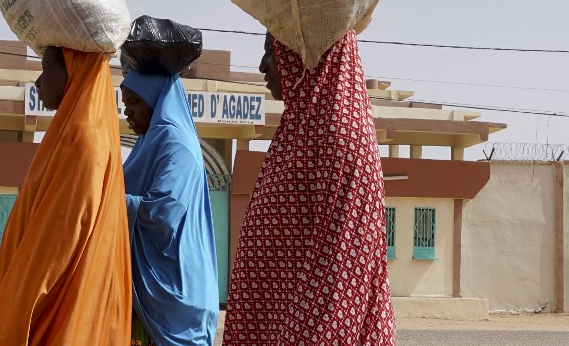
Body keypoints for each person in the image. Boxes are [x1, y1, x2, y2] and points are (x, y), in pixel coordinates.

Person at [222, 30, 396, 346]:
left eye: (271, 52)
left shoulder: (337, 130)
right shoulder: (301, 124)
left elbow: (343, 270)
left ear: (302, 56)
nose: (263, 66)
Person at [0, 46, 132, 345]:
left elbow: (57, 245)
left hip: (51, 315)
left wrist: (14, 317)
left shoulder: (82, 138)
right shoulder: (71, 132)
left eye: (46, 68)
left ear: (72, 72)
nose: (38, 82)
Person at [120, 69, 220, 346]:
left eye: (135, 102)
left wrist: (104, 201)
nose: (128, 111)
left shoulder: (177, 144)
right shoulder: (147, 144)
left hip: (175, 291)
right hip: (148, 288)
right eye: (126, 103)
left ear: (158, 100)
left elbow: (163, 211)